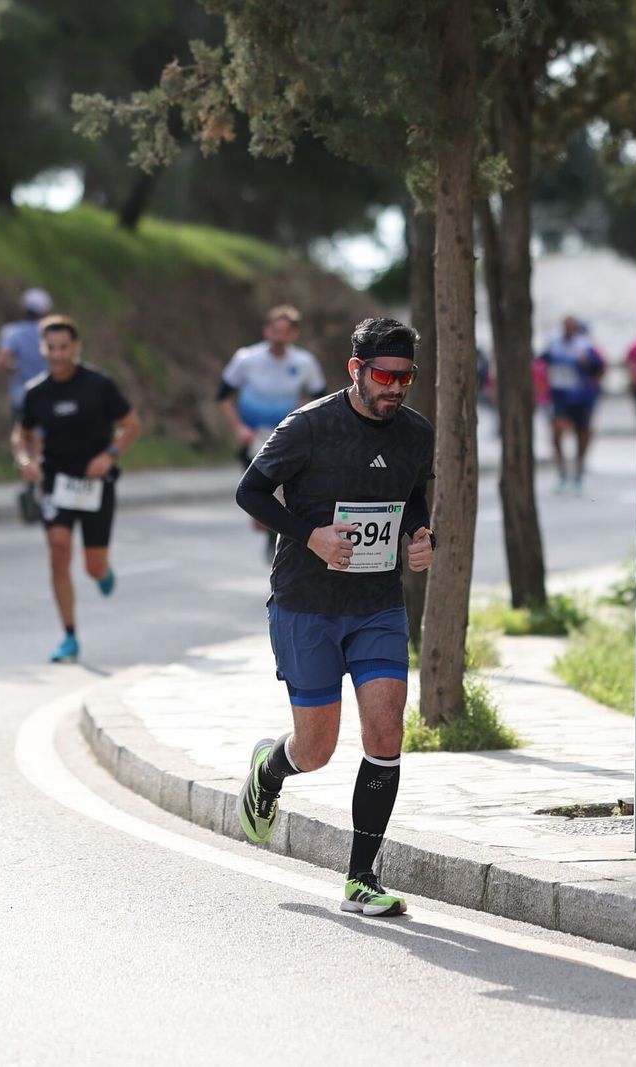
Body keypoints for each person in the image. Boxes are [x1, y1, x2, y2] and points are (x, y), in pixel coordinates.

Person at [233, 316, 436, 917]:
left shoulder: (415, 433)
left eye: (406, 377)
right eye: (384, 375)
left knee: (386, 731)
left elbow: (413, 498)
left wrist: (422, 536)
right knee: (316, 748)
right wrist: (312, 537)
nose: (396, 387)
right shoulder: (309, 426)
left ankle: (362, 877)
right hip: (306, 604)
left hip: (376, 604)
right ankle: (271, 770)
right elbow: (250, 492)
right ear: (356, 370)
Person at [12, 316, 143, 663]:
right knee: (58, 550)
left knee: (92, 567)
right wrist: (26, 460)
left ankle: (103, 571)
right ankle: (69, 635)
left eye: (63, 348)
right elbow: (22, 433)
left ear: (76, 347)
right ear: (42, 349)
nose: (56, 355)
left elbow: (131, 425)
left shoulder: (99, 385)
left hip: (96, 482)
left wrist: (109, 455)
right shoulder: (36, 392)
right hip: (56, 482)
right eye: (50, 348)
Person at [218, 305, 327, 559]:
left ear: (294, 334)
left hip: (286, 437)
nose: (279, 336)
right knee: (256, 500)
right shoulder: (246, 359)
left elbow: (320, 398)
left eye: (285, 331)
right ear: (266, 330)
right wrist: (238, 428)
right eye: (274, 330)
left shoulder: (304, 362)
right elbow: (222, 396)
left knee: (278, 495)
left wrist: (302, 418)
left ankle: (275, 545)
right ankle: (268, 532)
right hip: (253, 437)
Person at [0, 287, 54, 522]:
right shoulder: (50, 335)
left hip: (21, 397)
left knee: (23, 443)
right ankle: (40, 490)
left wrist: (16, 367)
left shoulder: (12, 333)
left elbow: (3, 362)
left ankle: (29, 486)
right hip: (47, 398)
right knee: (41, 444)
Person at [535, 315, 605, 493]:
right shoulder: (554, 344)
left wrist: (587, 366)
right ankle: (562, 473)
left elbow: (600, 368)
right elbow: (540, 363)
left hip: (583, 398)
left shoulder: (586, 346)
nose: (568, 330)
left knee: (582, 434)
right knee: (557, 433)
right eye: (565, 326)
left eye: (572, 327)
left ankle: (579, 471)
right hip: (561, 398)